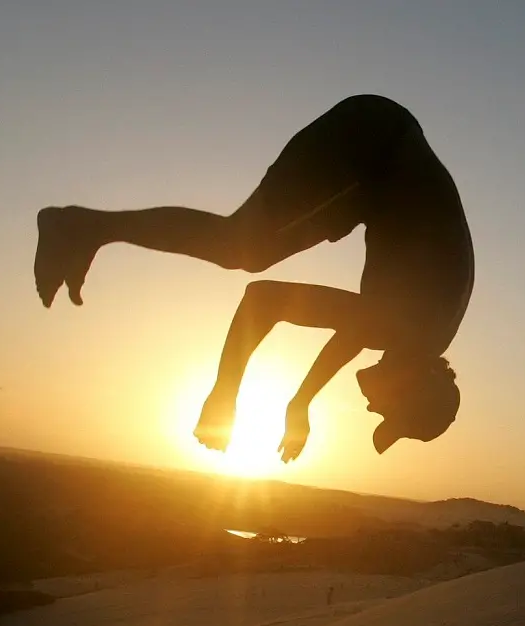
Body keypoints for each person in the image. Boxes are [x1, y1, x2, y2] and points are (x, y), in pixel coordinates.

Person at [34, 94, 473, 463]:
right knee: (239, 247)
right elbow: (263, 301)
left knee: (243, 247)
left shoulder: (423, 332)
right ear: (411, 386)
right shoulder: (404, 327)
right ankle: (78, 226)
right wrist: (225, 394)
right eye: (388, 413)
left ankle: (85, 228)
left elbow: (352, 334)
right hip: (370, 151)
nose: (374, 410)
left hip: (378, 151)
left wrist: (300, 403)